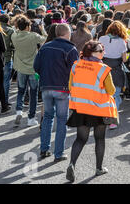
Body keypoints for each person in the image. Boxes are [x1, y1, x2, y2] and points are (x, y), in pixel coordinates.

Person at [65, 41, 118, 182]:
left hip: (81, 108)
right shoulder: (103, 69)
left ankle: (72, 164)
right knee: (99, 138)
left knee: (80, 139)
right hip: (98, 109)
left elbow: (70, 85)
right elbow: (111, 90)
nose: (103, 53)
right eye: (100, 51)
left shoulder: (76, 65)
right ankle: (99, 168)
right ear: (92, 53)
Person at [34, 23, 79, 161]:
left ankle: (44, 149)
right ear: (67, 33)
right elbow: (75, 71)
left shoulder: (45, 47)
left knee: (47, 117)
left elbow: (36, 67)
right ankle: (58, 153)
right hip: (63, 89)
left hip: (46, 87)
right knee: (61, 120)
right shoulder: (71, 49)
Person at [11, 16, 47, 127]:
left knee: (21, 90)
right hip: (33, 69)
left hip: (20, 68)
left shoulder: (14, 36)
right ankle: (31, 118)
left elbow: (15, 30)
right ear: (27, 26)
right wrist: (42, 29)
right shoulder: (33, 36)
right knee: (33, 93)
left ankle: (19, 110)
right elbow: (45, 38)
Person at [99, 21, 128, 128]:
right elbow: (124, 59)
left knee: (104, 94)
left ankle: (105, 115)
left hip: (103, 69)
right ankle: (112, 120)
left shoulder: (101, 39)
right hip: (116, 70)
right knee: (115, 95)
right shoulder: (122, 42)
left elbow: (98, 55)